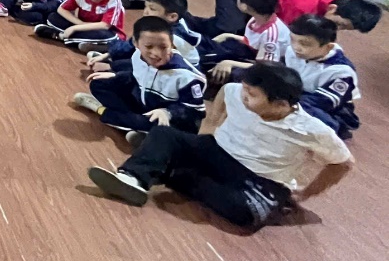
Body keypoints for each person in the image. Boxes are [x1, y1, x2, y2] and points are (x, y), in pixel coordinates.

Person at [87, 62, 353, 231]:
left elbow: (343, 163)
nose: (244, 95)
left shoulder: (311, 130)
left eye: (252, 94)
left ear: (281, 104)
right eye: (245, 89)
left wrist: (306, 193)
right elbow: (223, 98)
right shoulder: (236, 92)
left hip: (258, 178)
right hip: (218, 150)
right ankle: (132, 178)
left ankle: (164, 164)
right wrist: (205, 136)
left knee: (244, 214)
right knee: (163, 134)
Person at [70, 15, 205, 134]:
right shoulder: (137, 56)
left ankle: (102, 111)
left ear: (172, 45)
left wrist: (168, 112)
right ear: (136, 43)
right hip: (144, 105)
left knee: (162, 128)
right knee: (98, 84)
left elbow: (195, 112)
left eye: (163, 47)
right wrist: (116, 76)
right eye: (149, 47)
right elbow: (136, 78)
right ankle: (136, 128)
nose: (156, 53)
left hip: (169, 119)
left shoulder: (186, 76)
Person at [188, 0, 381, 39]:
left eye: (345, 28)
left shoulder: (325, 15)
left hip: (259, 11)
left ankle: (190, 24)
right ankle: (188, 24)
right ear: (332, 9)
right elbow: (279, 32)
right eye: (340, 25)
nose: (338, 29)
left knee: (232, 31)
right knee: (230, 29)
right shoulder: (305, 7)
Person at [284, 15, 359, 138]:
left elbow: (324, 101)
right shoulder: (292, 52)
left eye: (305, 44)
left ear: (328, 47)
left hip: (328, 109)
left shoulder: (342, 71)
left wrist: (283, 102)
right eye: (292, 40)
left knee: (300, 108)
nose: (296, 47)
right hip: (296, 95)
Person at [204, 0, 287, 83]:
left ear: (244, 6)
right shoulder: (256, 19)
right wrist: (227, 35)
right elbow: (252, 42)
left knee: (231, 71)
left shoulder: (270, 35)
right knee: (218, 49)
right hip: (254, 54)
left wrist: (229, 63)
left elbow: (265, 68)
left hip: (271, 69)